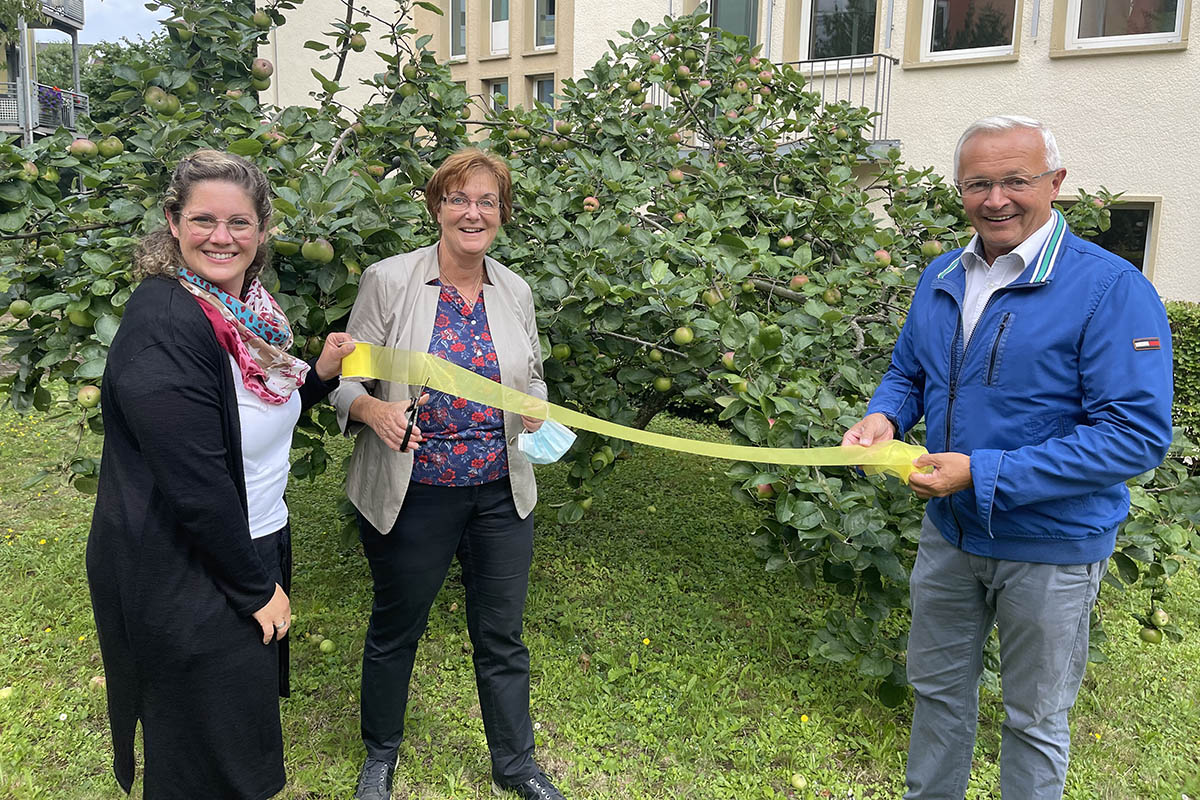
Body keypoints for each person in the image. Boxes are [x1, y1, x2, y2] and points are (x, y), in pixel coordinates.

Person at [842, 116, 1173, 799]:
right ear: (959, 191)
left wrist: (983, 473)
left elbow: (1134, 435)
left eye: (1015, 181)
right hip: (951, 534)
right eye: (978, 184)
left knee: (1034, 718)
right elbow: (910, 372)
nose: (996, 199)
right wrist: (886, 414)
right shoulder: (943, 274)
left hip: (1052, 547)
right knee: (936, 694)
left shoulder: (1111, 289)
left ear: (1055, 183)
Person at [87, 150, 355, 799]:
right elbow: (194, 483)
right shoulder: (165, 325)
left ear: (261, 231)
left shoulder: (243, 315)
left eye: (239, 221)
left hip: (248, 541)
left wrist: (317, 377)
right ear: (173, 223)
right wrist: (255, 587)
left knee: (233, 731)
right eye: (203, 219)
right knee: (206, 755)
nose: (222, 236)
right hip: (191, 568)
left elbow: (251, 417)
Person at [331, 148, 566, 800]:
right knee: (395, 629)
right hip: (416, 493)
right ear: (437, 207)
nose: (472, 212)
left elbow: (534, 377)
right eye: (459, 199)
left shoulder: (514, 290)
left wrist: (535, 410)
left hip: (499, 490)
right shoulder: (389, 281)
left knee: (501, 636)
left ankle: (515, 764)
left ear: (501, 214)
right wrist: (373, 408)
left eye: (486, 201)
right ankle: (381, 754)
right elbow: (344, 381)